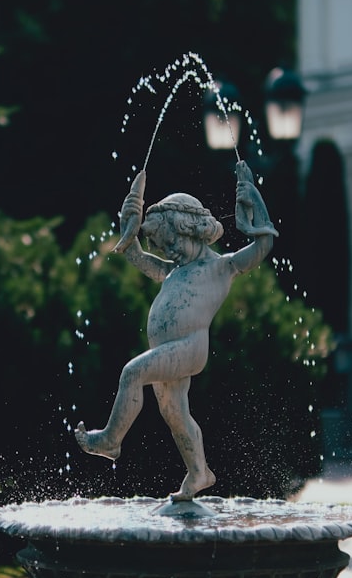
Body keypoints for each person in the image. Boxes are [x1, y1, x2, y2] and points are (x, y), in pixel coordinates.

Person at [75, 161, 277, 501]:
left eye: (170, 242)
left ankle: (111, 441)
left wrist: (253, 199)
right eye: (159, 245)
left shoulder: (221, 267)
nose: (166, 252)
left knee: (132, 372)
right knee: (174, 413)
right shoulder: (171, 270)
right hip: (171, 350)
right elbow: (136, 255)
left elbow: (262, 247)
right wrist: (129, 223)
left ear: (189, 229)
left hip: (189, 346)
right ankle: (199, 473)